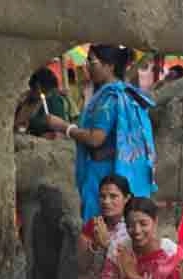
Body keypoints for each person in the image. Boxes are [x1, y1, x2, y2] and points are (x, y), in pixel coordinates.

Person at [43, 45, 157, 221]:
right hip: (116, 171)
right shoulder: (122, 93)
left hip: (105, 173)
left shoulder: (110, 97)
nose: (87, 66)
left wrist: (64, 127)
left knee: (100, 223)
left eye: (92, 61)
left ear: (109, 65)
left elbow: (96, 138)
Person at [16, 67, 71, 138]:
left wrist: (49, 135)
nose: (31, 91)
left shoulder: (54, 100)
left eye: (33, 88)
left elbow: (60, 132)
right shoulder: (28, 99)